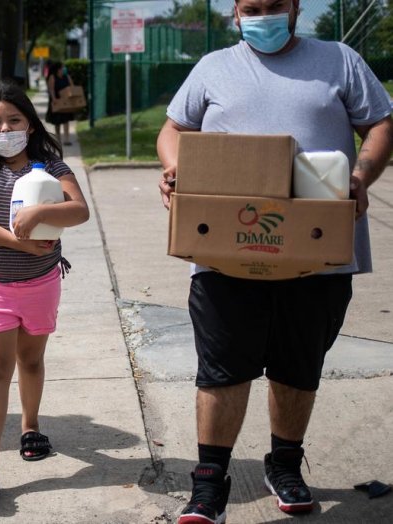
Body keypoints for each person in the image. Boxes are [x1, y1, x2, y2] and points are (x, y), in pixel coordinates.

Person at [156, 0, 392, 521]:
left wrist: (361, 175)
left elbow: (380, 125)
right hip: (222, 251)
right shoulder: (213, 67)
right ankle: (210, 481)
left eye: (273, 5)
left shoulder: (340, 60)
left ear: (295, 8)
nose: (262, 16)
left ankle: (284, 463)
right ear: (236, 11)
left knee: (297, 367)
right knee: (221, 372)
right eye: (251, 7)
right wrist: (176, 169)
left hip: (317, 253)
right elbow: (172, 129)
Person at [0, 81, 90, 492]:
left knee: (30, 361)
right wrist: (20, 241)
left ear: (30, 124)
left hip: (41, 281)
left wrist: (41, 213)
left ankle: (30, 427)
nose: (4, 128)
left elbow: (79, 210)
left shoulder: (51, 164)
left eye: (13, 120)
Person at [45, 61, 75, 146]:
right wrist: (54, 99)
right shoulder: (52, 77)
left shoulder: (67, 76)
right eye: (63, 67)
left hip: (66, 100)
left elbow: (72, 86)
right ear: (58, 69)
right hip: (57, 100)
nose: (64, 69)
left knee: (66, 120)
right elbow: (51, 89)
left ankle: (66, 139)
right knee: (57, 121)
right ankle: (58, 139)